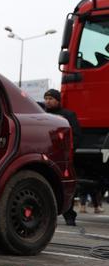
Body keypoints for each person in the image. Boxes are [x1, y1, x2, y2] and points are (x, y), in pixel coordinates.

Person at [44, 88, 82, 225]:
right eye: (46, 98)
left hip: (63, 157)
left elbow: (76, 135)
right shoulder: (42, 115)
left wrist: (69, 152)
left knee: (66, 186)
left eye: (51, 99)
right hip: (46, 155)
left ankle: (69, 216)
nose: (47, 101)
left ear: (58, 100)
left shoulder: (68, 115)